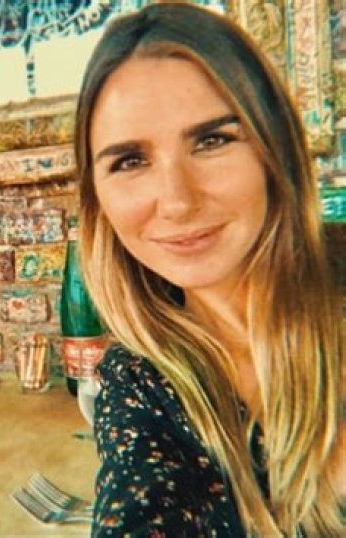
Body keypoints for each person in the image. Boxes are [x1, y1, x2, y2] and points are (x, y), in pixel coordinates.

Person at [74, 3, 344, 536]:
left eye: (212, 140)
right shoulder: (140, 382)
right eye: (130, 161)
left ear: (275, 150)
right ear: (97, 197)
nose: (177, 202)